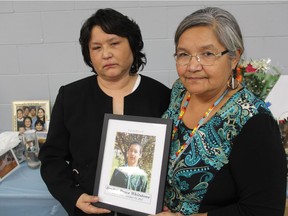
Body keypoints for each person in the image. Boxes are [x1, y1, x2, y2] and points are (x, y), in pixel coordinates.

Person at [154, 7, 287, 216]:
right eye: (183, 54)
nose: (192, 66)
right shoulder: (180, 91)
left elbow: (263, 210)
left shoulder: (252, 120)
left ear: (234, 57)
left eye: (207, 54)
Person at [38, 8, 170, 216]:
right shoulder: (71, 96)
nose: (106, 54)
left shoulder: (162, 96)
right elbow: (51, 158)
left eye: (114, 43)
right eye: (96, 47)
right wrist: (73, 196)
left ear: (133, 45)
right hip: (89, 210)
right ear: (89, 55)